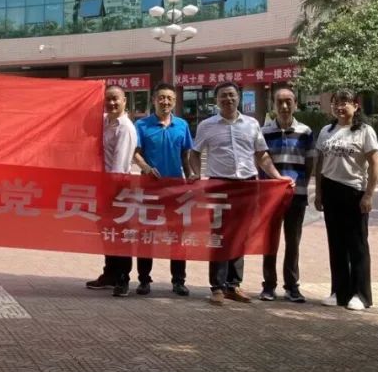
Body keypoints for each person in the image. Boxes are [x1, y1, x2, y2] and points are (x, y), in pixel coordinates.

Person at [188, 81, 291, 305]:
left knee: (241, 235)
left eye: (232, 95)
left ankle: (233, 285)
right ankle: (217, 287)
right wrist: (196, 173)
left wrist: (277, 177)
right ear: (216, 100)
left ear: (239, 98)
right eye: (223, 96)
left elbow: (261, 155)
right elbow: (194, 153)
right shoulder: (207, 125)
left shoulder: (252, 124)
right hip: (219, 187)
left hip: (246, 186)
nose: (228, 99)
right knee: (219, 235)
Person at [314, 89, 378, 311]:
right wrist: (319, 192)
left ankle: (361, 295)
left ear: (356, 105)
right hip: (330, 190)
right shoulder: (326, 131)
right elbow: (320, 163)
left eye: (345, 103)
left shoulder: (364, 131)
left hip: (354, 192)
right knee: (336, 244)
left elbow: (375, 163)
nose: (340, 107)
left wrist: (369, 194)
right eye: (336, 103)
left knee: (357, 245)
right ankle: (339, 292)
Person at [127, 82, 195, 297]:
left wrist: (190, 174)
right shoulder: (142, 125)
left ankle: (179, 281)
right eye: (161, 98)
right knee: (146, 235)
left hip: (175, 189)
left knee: (177, 235)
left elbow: (185, 155)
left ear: (174, 101)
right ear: (154, 100)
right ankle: (144, 280)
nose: (165, 102)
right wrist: (146, 168)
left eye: (169, 98)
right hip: (150, 188)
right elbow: (135, 152)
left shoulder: (182, 125)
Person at [260, 87, 315, 303]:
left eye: (288, 101)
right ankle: (269, 286)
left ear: (295, 104)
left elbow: (309, 162)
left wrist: (301, 185)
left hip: (296, 196)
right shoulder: (264, 132)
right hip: (269, 197)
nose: (284, 106)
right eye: (279, 102)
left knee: (293, 242)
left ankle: (292, 286)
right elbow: (260, 161)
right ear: (273, 105)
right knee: (269, 241)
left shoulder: (305, 132)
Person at [83, 85, 138, 294]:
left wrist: (111, 193)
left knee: (120, 233)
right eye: (108, 99)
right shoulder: (104, 122)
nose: (112, 103)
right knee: (108, 232)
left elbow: (119, 166)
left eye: (116, 99)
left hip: (118, 187)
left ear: (124, 101)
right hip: (103, 184)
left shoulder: (125, 128)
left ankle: (122, 278)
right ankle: (110, 273)